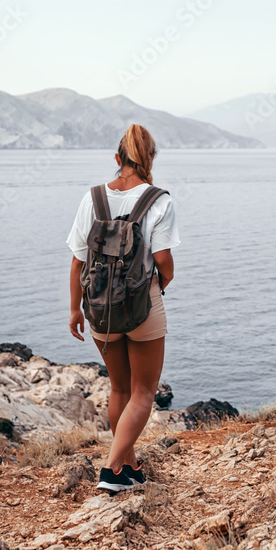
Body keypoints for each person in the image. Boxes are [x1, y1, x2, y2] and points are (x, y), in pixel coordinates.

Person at [67, 124, 180, 493]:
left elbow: (77, 262)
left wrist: (74, 310)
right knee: (144, 392)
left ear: (117, 159)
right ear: (150, 160)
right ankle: (112, 468)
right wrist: (163, 281)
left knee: (119, 391)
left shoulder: (93, 198)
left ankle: (129, 465)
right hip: (142, 307)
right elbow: (163, 260)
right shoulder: (159, 201)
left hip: (100, 307)